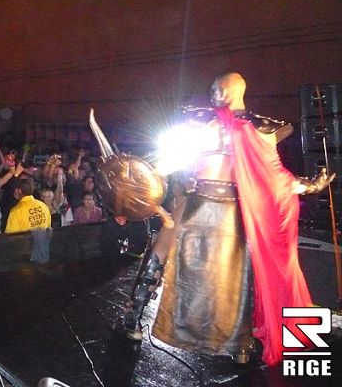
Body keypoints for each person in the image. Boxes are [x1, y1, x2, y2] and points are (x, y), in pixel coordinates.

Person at [123, 72, 334, 366]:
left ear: (228, 90)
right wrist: (310, 185)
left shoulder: (219, 124)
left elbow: (273, 177)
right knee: (228, 267)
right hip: (220, 206)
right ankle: (236, 345)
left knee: (181, 255)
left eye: (215, 88)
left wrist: (144, 174)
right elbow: (277, 179)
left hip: (215, 205)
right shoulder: (248, 128)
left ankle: (137, 317)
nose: (211, 93)